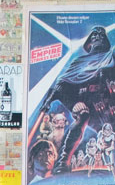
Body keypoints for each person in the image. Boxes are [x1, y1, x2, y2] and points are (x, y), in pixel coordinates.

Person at [31, 26, 115, 174]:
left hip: (109, 106)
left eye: (101, 36)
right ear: (89, 43)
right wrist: (52, 100)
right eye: (94, 36)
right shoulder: (79, 62)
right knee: (83, 115)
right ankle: (64, 161)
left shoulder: (110, 56)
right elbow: (63, 83)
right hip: (88, 107)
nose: (97, 38)